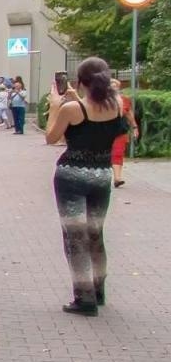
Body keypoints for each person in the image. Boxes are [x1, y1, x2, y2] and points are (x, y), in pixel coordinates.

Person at [45, 57, 128, 316]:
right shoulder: (116, 105)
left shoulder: (72, 109)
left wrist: (56, 106)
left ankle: (84, 297)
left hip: (71, 176)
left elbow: (51, 137)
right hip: (102, 175)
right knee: (95, 234)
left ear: (81, 81)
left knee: (75, 237)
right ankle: (99, 289)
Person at [110, 78, 138, 187]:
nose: (113, 88)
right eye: (111, 86)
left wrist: (135, 127)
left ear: (119, 88)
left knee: (118, 153)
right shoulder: (102, 100)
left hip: (121, 131)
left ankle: (117, 178)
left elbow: (130, 115)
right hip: (104, 132)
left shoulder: (125, 100)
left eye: (116, 86)